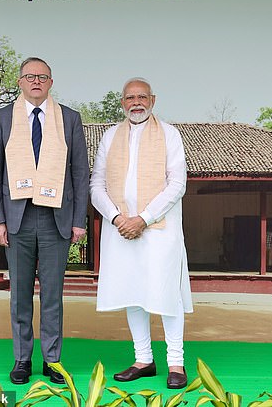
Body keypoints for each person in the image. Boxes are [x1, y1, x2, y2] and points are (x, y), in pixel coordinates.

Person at [0, 57, 89, 385]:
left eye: (42, 77)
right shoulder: (3, 118)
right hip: (16, 219)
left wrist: (79, 220)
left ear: (50, 82)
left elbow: (80, 173)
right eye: (30, 76)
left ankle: (53, 360)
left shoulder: (69, 119)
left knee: (53, 295)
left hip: (56, 218)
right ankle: (21, 359)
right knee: (19, 294)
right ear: (20, 82)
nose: (36, 81)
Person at [90, 77, 193, 390]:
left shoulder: (170, 134)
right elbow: (96, 185)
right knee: (132, 292)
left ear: (153, 99)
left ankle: (176, 362)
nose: (136, 102)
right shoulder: (110, 136)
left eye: (142, 97)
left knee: (166, 294)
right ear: (122, 102)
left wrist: (143, 218)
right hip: (120, 229)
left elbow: (177, 184)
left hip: (160, 229)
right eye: (130, 97)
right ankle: (144, 359)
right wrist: (118, 217)